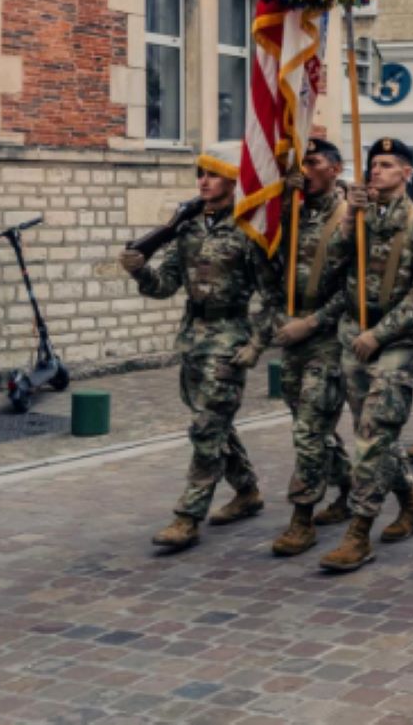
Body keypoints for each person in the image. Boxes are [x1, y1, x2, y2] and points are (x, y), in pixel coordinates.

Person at [119, 143, 279, 552]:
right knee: (214, 424)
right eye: (199, 174)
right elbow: (165, 285)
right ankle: (247, 491)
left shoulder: (248, 230)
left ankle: (187, 517)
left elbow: (274, 297)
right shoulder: (187, 228)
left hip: (230, 338)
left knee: (206, 428)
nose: (203, 181)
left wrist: (257, 344)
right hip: (193, 336)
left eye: (212, 174)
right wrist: (141, 273)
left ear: (231, 180)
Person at [319, 138, 413, 573]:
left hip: (398, 339)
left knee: (373, 434)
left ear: (407, 173)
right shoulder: (362, 212)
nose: (377, 171)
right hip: (355, 331)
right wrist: (350, 214)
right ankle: (411, 503)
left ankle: (359, 532)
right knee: (373, 433)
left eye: (388, 165)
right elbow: (331, 261)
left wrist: (381, 333)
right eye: (374, 164)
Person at [270, 139, 355, 557]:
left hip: (329, 337)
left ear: (335, 169)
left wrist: (313, 323)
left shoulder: (349, 218)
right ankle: (355, 488)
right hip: (292, 335)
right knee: (314, 428)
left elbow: (355, 288)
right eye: (301, 161)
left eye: (314, 161)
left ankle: (301, 518)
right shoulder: (292, 213)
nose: (305, 168)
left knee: (308, 431)